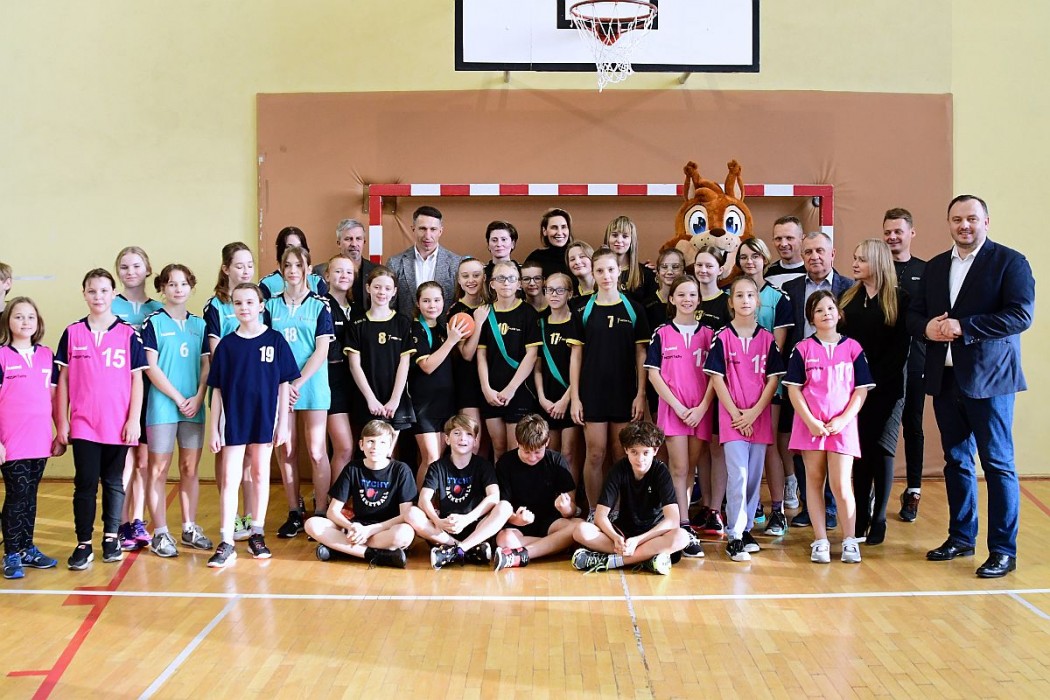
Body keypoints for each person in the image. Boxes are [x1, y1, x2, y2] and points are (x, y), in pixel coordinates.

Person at [909, 195, 1034, 579]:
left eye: (972, 219)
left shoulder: (1010, 262)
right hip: (945, 379)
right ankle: (962, 537)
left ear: (986, 222)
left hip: (991, 381)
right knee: (957, 462)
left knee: (998, 464)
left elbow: (1020, 315)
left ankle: (1003, 551)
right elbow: (914, 314)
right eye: (957, 219)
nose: (964, 225)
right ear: (949, 223)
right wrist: (926, 328)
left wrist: (965, 327)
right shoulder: (935, 267)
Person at [56, 269, 148, 570]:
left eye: (104, 291)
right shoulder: (72, 332)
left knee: (113, 482)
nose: (98, 296)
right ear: (84, 294)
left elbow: (137, 380)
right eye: (92, 291)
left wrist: (133, 420)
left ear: (113, 294)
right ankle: (83, 543)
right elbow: (63, 380)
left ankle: (111, 537)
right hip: (83, 423)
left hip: (117, 423)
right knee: (85, 483)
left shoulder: (128, 334)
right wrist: (62, 422)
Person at [206, 283, 299, 567]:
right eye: (238, 303)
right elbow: (217, 390)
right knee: (230, 478)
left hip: (264, 417)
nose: (244, 307)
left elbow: (284, 385)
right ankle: (226, 541)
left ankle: (257, 534)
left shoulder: (275, 340)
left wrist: (283, 424)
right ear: (232, 307)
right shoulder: (226, 345)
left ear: (261, 306)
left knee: (260, 473)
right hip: (234, 418)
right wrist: (213, 428)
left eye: (249, 302)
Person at [784, 291, 872, 564]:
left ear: (839, 313)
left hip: (842, 427)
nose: (826, 313)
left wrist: (843, 419)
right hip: (811, 427)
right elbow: (794, 390)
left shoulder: (853, 348)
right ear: (811, 318)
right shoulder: (802, 349)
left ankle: (849, 540)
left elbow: (861, 390)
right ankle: (820, 539)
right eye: (819, 310)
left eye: (830, 308)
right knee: (813, 481)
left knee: (842, 484)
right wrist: (811, 421)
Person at [704, 277, 784, 561]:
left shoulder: (767, 339)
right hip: (732, 419)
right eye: (739, 295)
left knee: (752, 477)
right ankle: (735, 536)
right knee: (737, 474)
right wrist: (737, 414)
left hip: (758, 417)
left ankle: (747, 528)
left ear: (758, 301)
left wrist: (753, 412)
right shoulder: (722, 337)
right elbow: (716, 378)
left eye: (750, 295)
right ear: (731, 302)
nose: (745, 300)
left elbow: (773, 380)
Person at [568, 247, 650, 514]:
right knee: (595, 453)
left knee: (620, 453)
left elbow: (641, 354)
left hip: (624, 392)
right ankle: (595, 511)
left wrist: (640, 394)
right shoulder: (583, 310)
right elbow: (576, 356)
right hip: (592, 393)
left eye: (611, 270)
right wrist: (575, 398)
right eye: (600, 271)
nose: (606, 276)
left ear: (619, 272)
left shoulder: (634, 309)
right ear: (593, 273)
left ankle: (620, 512)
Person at [839, 239, 910, 545]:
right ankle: (861, 517)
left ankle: (879, 517)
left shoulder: (900, 299)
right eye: (855, 258)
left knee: (882, 450)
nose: (855, 264)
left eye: (862, 259)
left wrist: (873, 380)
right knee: (860, 452)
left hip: (887, 388)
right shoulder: (848, 299)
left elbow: (900, 350)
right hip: (855, 389)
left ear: (878, 263)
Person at [781, 232, 853, 528]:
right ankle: (809, 507)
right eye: (808, 252)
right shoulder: (791, 288)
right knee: (804, 446)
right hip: (803, 381)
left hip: (838, 385)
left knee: (837, 448)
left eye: (820, 251)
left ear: (832, 253)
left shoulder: (849, 287)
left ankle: (832, 507)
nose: (814, 257)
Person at [141, 264, 211, 557]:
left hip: (193, 406)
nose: (178, 289)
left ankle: (189, 527)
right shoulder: (153, 323)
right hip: (162, 407)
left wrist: (198, 396)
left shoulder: (200, 325)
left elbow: (206, 365)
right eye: (171, 284)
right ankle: (159, 533)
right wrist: (177, 397)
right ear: (162, 288)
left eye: (183, 284)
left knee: (189, 468)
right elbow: (150, 367)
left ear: (191, 287)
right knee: (158, 469)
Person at [265, 247, 335, 539]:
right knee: (287, 449)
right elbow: (266, 346)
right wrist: (284, 384)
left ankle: (321, 512)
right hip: (280, 385)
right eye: (288, 265)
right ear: (281, 269)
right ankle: (294, 511)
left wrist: (297, 382)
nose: (293, 270)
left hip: (311, 384)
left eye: (298, 265)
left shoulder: (320, 305)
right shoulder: (269, 306)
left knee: (317, 451)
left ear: (308, 268)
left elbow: (321, 350)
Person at [644, 276, 712, 558]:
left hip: (700, 411)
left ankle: (679, 521)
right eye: (681, 294)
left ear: (699, 299)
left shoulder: (709, 334)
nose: (687, 299)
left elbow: (715, 377)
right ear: (671, 299)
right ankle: (683, 525)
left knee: (690, 468)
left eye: (692, 294)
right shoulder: (661, 333)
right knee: (679, 468)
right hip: (673, 411)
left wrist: (702, 408)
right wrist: (677, 406)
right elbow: (653, 374)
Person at [571, 422, 690, 575]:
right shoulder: (618, 470)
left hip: (652, 536)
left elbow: (673, 520)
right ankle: (646, 558)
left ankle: (610, 561)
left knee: (682, 537)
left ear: (655, 451)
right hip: (624, 535)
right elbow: (600, 517)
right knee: (581, 530)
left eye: (645, 452)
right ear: (626, 450)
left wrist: (638, 540)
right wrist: (615, 538)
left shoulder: (661, 471)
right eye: (634, 452)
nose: (640, 459)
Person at [735, 238, 795, 535]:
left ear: (764, 259)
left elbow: (777, 348)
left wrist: (762, 381)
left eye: (755, 256)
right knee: (742, 448)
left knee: (768, 444)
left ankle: (778, 510)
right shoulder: (731, 295)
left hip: (769, 385)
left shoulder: (778, 298)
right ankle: (751, 504)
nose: (750, 261)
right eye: (744, 257)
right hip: (737, 387)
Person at [1, 297, 62, 579]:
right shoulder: (1, 356)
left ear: (38, 322)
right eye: (18, 316)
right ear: (8, 321)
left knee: (31, 495)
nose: (25, 322)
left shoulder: (47, 355)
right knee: (17, 494)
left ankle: (27, 548)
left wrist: (60, 432)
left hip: (40, 440)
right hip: (11, 441)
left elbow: (54, 398)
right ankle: (11, 553)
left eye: (30, 317)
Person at [202, 242, 260, 541]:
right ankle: (232, 516)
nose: (246, 270)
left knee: (251, 456)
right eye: (239, 265)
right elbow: (215, 352)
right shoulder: (215, 306)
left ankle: (250, 516)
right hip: (227, 388)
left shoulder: (258, 299)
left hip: (254, 390)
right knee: (226, 452)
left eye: (250, 264)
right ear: (226, 268)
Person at [304, 420, 416, 569]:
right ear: (361, 445)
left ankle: (341, 550)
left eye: (382, 442)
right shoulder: (353, 468)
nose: (375, 447)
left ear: (390, 447)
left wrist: (370, 530)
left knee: (405, 534)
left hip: (385, 529)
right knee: (312, 524)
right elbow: (332, 511)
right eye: (370, 441)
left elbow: (405, 515)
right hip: (357, 527)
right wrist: (351, 526)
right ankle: (374, 555)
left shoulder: (401, 470)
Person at [405, 414, 509, 568]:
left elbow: (494, 496)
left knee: (505, 507)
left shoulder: (483, 466)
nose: (463, 438)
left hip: (476, 527)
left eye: (468, 434)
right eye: (457, 433)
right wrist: (437, 521)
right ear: (447, 439)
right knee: (411, 513)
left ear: (475, 441)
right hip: (445, 530)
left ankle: (457, 550)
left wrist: (468, 519)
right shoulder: (437, 467)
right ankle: (466, 549)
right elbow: (423, 499)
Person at [112, 246, 163, 552]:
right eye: (124, 267)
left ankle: (137, 521)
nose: (130, 272)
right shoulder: (110, 305)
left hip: (148, 390)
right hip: (118, 392)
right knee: (123, 461)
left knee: (143, 460)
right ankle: (118, 524)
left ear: (147, 269)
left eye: (136, 266)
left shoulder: (158, 309)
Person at [491, 415, 582, 571]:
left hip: (550, 521)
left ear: (547, 442)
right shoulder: (505, 463)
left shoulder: (556, 460)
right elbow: (502, 507)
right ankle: (558, 545)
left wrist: (566, 508)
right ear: (518, 443)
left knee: (580, 526)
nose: (532, 457)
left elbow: (571, 509)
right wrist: (516, 519)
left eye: (538, 452)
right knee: (504, 539)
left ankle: (521, 554)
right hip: (519, 525)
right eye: (527, 452)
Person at [883, 208, 927, 522]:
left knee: (912, 425)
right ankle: (873, 489)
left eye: (898, 231)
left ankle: (913, 490)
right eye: (887, 232)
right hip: (882, 362)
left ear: (911, 233)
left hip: (915, 362)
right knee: (876, 426)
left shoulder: (927, 271)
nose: (892, 237)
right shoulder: (876, 269)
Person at [477, 260, 540, 459]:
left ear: (519, 284)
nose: (506, 283)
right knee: (498, 447)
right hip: (492, 391)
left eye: (511, 278)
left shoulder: (528, 313)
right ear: (492, 284)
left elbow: (532, 355)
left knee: (515, 449)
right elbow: (481, 355)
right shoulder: (485, 313)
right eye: (501, 278)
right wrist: (486, 388)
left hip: (519, 390)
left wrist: (511, 389)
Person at [346, 266, 416, 436]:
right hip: (367, 399)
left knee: (389, 448)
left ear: (394, 292)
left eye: (387, 288)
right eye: (377, 287)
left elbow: (404, 364)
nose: (382, 292)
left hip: (395, 399)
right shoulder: (356, 324)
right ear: (368, 288)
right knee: (371, 446)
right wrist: (370, 399)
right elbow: (355, 366)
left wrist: (395, 400)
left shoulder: (402, 322)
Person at [410, 281, 468, 484]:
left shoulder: (445, 329)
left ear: (444, 302)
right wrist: (451, 341)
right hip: (424, 405)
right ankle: (421, 501)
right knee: (431, 458)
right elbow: (427, 366)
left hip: (446, 403)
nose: (432, 305)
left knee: (440, 459)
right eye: (426, 301)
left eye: (436, 300)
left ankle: (433, 499)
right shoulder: (416, 329)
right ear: (418, 303)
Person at [533, 272, 582, 483]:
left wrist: (565, 400)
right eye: (549, 290)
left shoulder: (577, 322)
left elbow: (580, 366)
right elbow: (537, 367)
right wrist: (542, 398)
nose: (554, 295)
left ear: (569, 293)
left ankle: (570, 497)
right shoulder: (540, 324)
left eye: (560, 290)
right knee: (550, 452)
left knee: (569, 453)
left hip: (569, 398)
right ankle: (552, 497)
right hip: (547, 400)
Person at [387, 206, 463, 316]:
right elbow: (389, 305)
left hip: (445, 326)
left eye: (433, 229)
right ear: (413, 229)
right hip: (406, 326)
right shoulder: (395, 263)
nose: (427, 235)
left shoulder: (456, 263)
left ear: (440, 231)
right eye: (422, 229)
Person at [322, 254, 358, 477]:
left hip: (356, 383)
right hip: (331, 382)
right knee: (343, 448)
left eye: (348, 272)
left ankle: (349, 492)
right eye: (338, 271)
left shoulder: (357, 309)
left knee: (357, 447)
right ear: (327, 276)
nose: (344, 275)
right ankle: (335, 495)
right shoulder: (321, 306)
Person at [448, 258, 489, 444]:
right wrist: (478, 323)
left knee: (490, 442)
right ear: (458, 280)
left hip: (490, 377)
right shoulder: (456, 311)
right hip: (467, 381)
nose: (471, 280)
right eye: (465, 276)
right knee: (473, 440)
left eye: (476, 275)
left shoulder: (491, 306)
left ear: (484, 277)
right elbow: (466, 354)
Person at [313, 218, 376, 308]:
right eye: (348, 239)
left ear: (364, 242)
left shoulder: (376, 271)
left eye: (358, 239)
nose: (354, 244)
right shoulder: (320, 272)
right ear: (338, 243)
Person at [259, 226, 328, 299]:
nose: (295, 252)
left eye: (300, 247)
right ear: (280, 250)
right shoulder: (266, 283)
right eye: (289, 247)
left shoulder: (316, 281)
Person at [644, 248, 687, 331]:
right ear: (658, 272)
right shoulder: (646, 306)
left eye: (675, 267)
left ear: (684, 273)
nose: (669, 272)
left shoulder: (689, 303)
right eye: (664, 267)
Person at [526, 208, 574, 279]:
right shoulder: (536, 258)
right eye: (554, 227)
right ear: (544, 231)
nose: (560, 232)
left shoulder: (578, 256)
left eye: (563, 227)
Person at [764, 216, 808, 289]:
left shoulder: (813, 271)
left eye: (789, 238)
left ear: (802, 239)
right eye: (778, 239)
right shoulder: (768, 273)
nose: (783, 244)